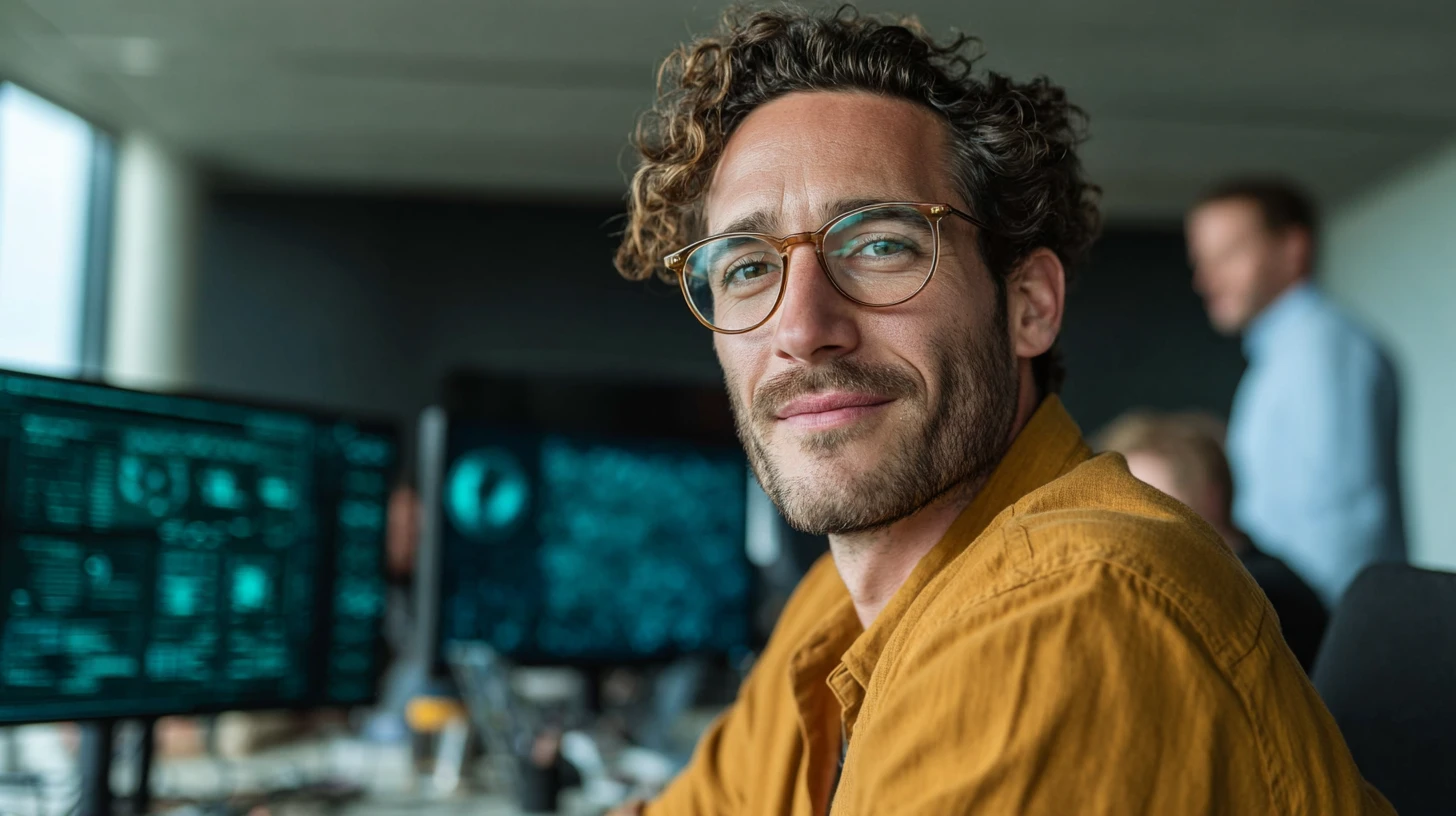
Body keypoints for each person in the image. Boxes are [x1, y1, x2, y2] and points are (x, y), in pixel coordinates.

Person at [608, 7, 1391, 814]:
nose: (802, 330)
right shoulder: (835, 604)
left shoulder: (1068, 612)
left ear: (1029, 305)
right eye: (744, 267)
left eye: (881, 245)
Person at [1186, 179, 1406, 607]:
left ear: (1293, 248)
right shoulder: (1289, 352)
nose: (1205, 279)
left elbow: (1341, 523)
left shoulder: (1321, 349)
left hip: (1313, 635)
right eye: (1202, 260)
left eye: (1228, 254)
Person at [1095, 411, 1328, 671]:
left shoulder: (1250, 593)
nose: (1124, 523)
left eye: (1148, 501)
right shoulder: (1259, 577)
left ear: (1211, 497)